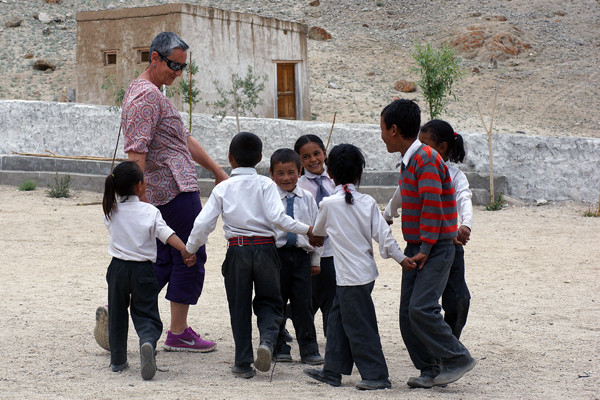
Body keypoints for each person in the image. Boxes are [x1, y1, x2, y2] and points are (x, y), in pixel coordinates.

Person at [184, 132, 324, 379]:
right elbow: (278, 219)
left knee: (239, 305)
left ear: (230, 158)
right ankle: (267, 343)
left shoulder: (223, 188)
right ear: (260, 158)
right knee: (270, 300)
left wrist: (190, 249)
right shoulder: (267, 184)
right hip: (266, 250)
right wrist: (307, 230)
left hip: (237, 250)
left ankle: (242, 362)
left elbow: (203, 223)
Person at [121, 32, 228, 352]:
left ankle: (119, 308)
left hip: (167, 188)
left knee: (165, 259)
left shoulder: (150, 92)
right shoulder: (148, 97)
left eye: (182, 67)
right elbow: (135, 154)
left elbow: (182, 138)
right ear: (154, 57)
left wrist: (217, 171)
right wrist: (138, 203)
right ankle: (178, 332)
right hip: (172, 189)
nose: (178, 73)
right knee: (190, 253)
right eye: (173, 65)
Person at [380, 99, 476, 389]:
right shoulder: (411, 160)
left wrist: (424, 248)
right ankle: (429, 368)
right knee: (408, 314)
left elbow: (433, 206)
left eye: (383, 128)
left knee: (421, 308)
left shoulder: (425, 158)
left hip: (433, 247)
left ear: (394, 129)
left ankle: (457, 357)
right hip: (418, 245)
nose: (382, 135)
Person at [303, 144, 415, 391]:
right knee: (337, 320)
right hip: (362, 275)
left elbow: (318, 233)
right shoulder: (368, 202)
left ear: (329, 173)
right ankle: (332, 370)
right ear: (359, 174)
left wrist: (314, 236)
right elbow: (384, 236)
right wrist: (401, 259)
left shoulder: (329, 204)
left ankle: (376, 375)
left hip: (349, 278)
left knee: (359, 325)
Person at [102, 161, 196, 380]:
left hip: (117, 269)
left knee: (117, 312)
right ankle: (147, 342)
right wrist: (185, 251)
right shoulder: (150, 212)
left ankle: (118, 361)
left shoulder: (110, 210)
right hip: (144, 270)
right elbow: (166, 234)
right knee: (146, 312)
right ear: (140, 186)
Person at [269, 148, 324, 365]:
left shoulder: (308, 198)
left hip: (301, 257)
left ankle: (309, 349)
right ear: (271, 174)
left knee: (303, 304)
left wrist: (315, 259)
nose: (285, 178)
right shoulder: (270, 197)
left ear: (300, 172)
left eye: (291, 172)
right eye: (280, 173)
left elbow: (316, 230)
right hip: (277, 256)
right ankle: (279, 345)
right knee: (277, 301)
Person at [294, 135, 336, 336]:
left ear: (325, 153)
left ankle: (333, 337)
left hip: (335, 249)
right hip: (311, 251)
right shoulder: (299, 187)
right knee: (310, 297)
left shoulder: (335, 181)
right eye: (306, 156)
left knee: (332, 297)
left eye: (317, 154)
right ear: (299, 161)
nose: (313, 160)